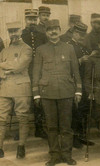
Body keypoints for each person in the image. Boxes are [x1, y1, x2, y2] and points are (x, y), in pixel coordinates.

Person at [32, 19, 81, 166]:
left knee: (66, 127)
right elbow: (36, 73)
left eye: (56, 29)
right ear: (46, 33)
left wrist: (78, 91)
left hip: (66, 92)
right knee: (51, 127)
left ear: (60, 30)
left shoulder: (69, 48)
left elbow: (76, 72)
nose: (53, 32)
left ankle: (67, 155)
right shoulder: (41, 50)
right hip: (47, 93)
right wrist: (36, 93)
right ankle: (54, 156)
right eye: (50, 30)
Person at [0, 21, 32, 159]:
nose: (13, 34)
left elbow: (20, 66)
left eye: (15, 31)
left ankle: (21, 146)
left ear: (20, 31)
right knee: (1, 118)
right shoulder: (4, 51)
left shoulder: (27, 49)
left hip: (21, 87)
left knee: (22, 117)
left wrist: (3, 66)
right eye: (11, 31)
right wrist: (6, 71)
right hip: (5, 86)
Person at [67, 21, 94, 148]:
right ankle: (74, 138)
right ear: (74, 33)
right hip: (73, 83)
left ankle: (81, 136)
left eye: (84, 34)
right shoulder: (68, 46)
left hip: (83, 82)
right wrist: (80, 60)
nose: (82, 37)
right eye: (80, 34)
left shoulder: (83, 46)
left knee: (83, 110)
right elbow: (66, 65)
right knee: (75, 111)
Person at [21, 8, 48, 139]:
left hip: (39, 72)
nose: (32, 22)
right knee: (24, 100)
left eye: (34, 19)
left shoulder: (42, 36)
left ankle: (39, 128)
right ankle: (22, 130)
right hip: (24, 72)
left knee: (39, 99)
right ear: (25, 20)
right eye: (29, 19)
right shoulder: (20, 35)